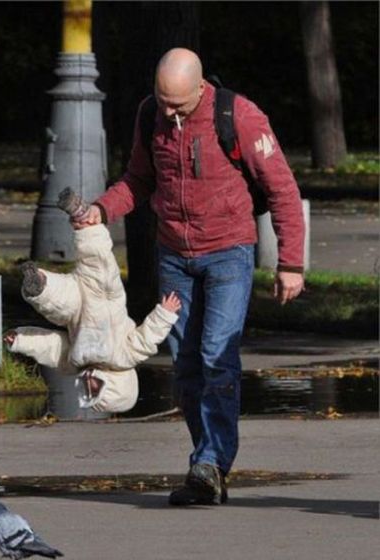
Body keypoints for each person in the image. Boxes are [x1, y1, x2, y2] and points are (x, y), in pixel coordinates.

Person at [71, 48, 305, 505]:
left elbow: (282, 188)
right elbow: (138, 180)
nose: (168, 113)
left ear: (201, 88)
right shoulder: (149, 115)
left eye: (177, 104)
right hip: (174, 255)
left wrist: (290, 263)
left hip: (229, 253)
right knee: (186, 366)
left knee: (218, 355)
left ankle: (210, 464)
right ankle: (206, 461)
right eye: (162, 101)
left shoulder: (239, 115)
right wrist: (100, 211)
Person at [5, 188, 181, 414]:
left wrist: (20, 340)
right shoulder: (125, 356)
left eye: (86, 388)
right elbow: (148, 337)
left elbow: (53, 348)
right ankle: (82, 215)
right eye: (95, 387)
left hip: (76, 309)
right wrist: (165, 313)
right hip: (103, 294)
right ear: (116, 387)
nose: (88, 381)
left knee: (57, 303)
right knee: (97, 257)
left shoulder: (77, 362)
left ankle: (38, 284)